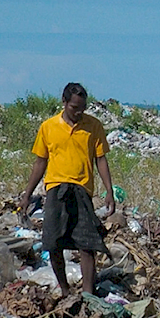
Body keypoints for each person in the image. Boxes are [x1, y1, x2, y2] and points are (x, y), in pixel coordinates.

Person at [19, 82, 115, 296]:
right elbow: (40, 162)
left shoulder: (93, 126)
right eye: (74, 108)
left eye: (83, 108)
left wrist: (109, 191)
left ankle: (88, 294)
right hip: (56, 189)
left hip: (82, 190)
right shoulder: (48, 127)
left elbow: (100, 159)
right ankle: (65, 290)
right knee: (53, 243)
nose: (79, 112)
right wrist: (27, 195)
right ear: (64, 102)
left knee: (87, 243)